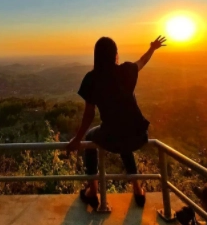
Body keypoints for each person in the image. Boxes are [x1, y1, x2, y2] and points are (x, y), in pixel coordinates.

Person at [66, 35, 166, 209]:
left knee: (91, 137)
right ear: (115, 54)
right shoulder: (126, 70)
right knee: (124, 138)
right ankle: (137, 189)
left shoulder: (91, 79)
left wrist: (77, 139)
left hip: (113, 136)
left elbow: (89, 114)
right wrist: (152, 48)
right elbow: (142, 61)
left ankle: (93, 190)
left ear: (96, 55)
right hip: (138, 134)